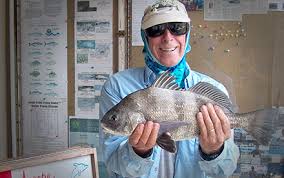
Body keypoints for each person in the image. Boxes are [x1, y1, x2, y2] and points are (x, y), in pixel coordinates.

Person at [99, 0, 240, 177]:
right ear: (145, 37)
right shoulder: (117, 86)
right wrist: (138, 152)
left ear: (187, 34)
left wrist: (214, 151)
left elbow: (224, 172)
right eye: (156, 29)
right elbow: (113, 164)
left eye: (177, 27)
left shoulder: (213, 89)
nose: (167, 37)